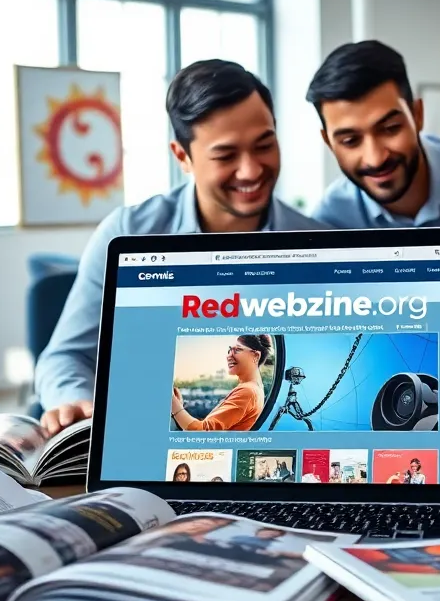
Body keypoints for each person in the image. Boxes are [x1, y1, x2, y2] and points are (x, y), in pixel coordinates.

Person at [37, 61, 325, 437]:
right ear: (182, 157)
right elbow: (65, 356)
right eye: (225, 156)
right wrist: (75, 400)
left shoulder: (318, 243)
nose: (251, 170)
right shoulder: (130, 233)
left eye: (265, 145)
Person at [305, 41, 440, 228]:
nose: (375, 159)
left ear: (417, 115)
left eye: (391, 128)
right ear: (329, 143)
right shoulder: (328, 223)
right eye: (350, 141)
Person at [170, 334, 272, 431]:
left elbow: (200, 432)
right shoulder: (255, 388)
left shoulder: (248, 392)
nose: (229, 356)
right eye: (229, 350)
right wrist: (179, 407)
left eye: (237, 350)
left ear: (256, 356)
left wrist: (174, 405)